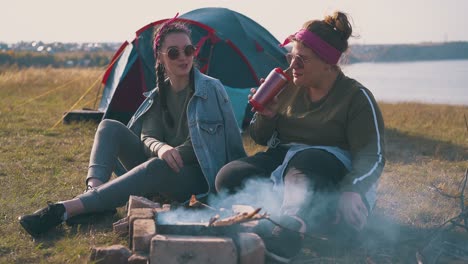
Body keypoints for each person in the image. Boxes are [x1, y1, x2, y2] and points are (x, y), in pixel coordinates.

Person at [19, 18, 246, 237]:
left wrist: (169, 153)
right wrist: (161, 148)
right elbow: (148, 135)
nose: (183, 57)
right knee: (109, 127)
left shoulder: (210, 89)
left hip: (198, 178)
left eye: (188, 50)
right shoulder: (159, 94)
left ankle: (64, 209)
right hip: (161, 167)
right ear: (160, 57)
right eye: (174, 53)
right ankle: (93, 198)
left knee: (157, 165)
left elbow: (207, 143)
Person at [215, 11, 385, 262]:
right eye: (292, 56)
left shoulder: (356, 97)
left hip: (327, 170)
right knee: (229, 177)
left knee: (306, 161)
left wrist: (353, 190)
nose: (293, 65)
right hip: (286, 161)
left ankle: (288, 231)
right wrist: (267, 115)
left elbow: (374, 155)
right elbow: (260, 137)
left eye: (302, 60)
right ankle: (278, 220)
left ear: (328, 63)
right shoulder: (288, 85)